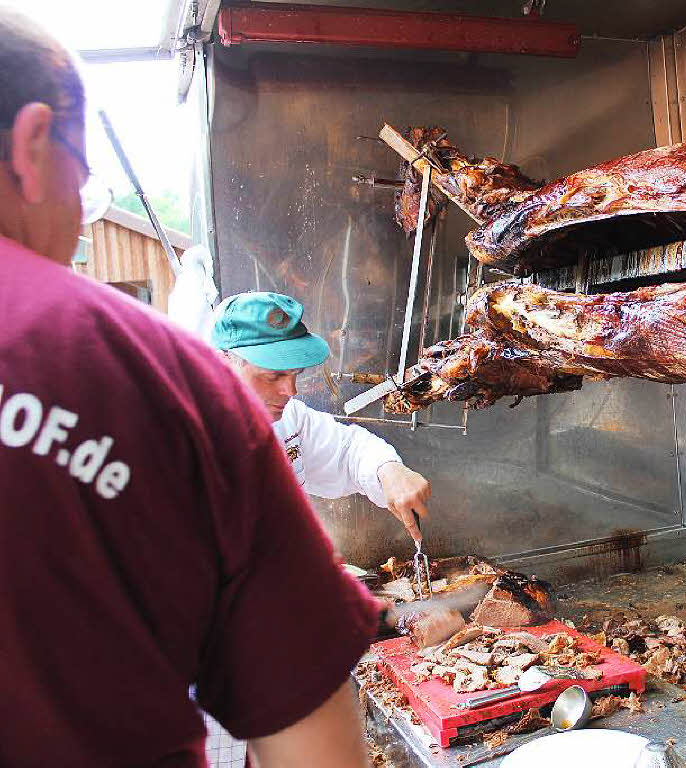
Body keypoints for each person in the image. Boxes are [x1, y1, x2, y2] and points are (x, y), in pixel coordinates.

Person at [0, 8, 376, 766]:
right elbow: (316, 749)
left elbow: (349, 449)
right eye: (81, 182)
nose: (78, 214)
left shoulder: (263, 410)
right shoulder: (167, 385)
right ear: (32, 146)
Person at [209, 291, 432, 543]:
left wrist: (389, 470)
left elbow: (347, 451)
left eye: (295, 374)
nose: (291, 392)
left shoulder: (289, 420)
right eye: (273, 376)